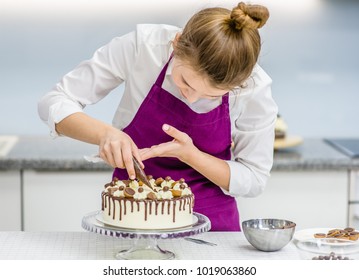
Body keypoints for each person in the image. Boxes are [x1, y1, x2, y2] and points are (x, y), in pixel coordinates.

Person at [38, 2, 278, 231]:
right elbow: (54, 101)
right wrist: (105, 134)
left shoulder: (254, 87)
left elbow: (255, 178)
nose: (192, 98)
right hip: (131, 218)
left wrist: (191, 156)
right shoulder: (144, 47)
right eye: (185, 82)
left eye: (211, 95)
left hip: (214, 229)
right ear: (176, 43)